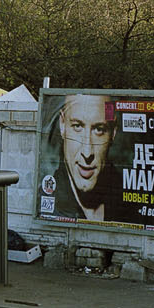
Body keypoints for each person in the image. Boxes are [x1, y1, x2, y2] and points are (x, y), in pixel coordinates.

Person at [44, 93, 122, 221]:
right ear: (62, 125)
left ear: (113, 132)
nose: (87, 152)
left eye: (99, 129)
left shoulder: (132, 206)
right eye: (77, 126)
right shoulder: (44, 202)